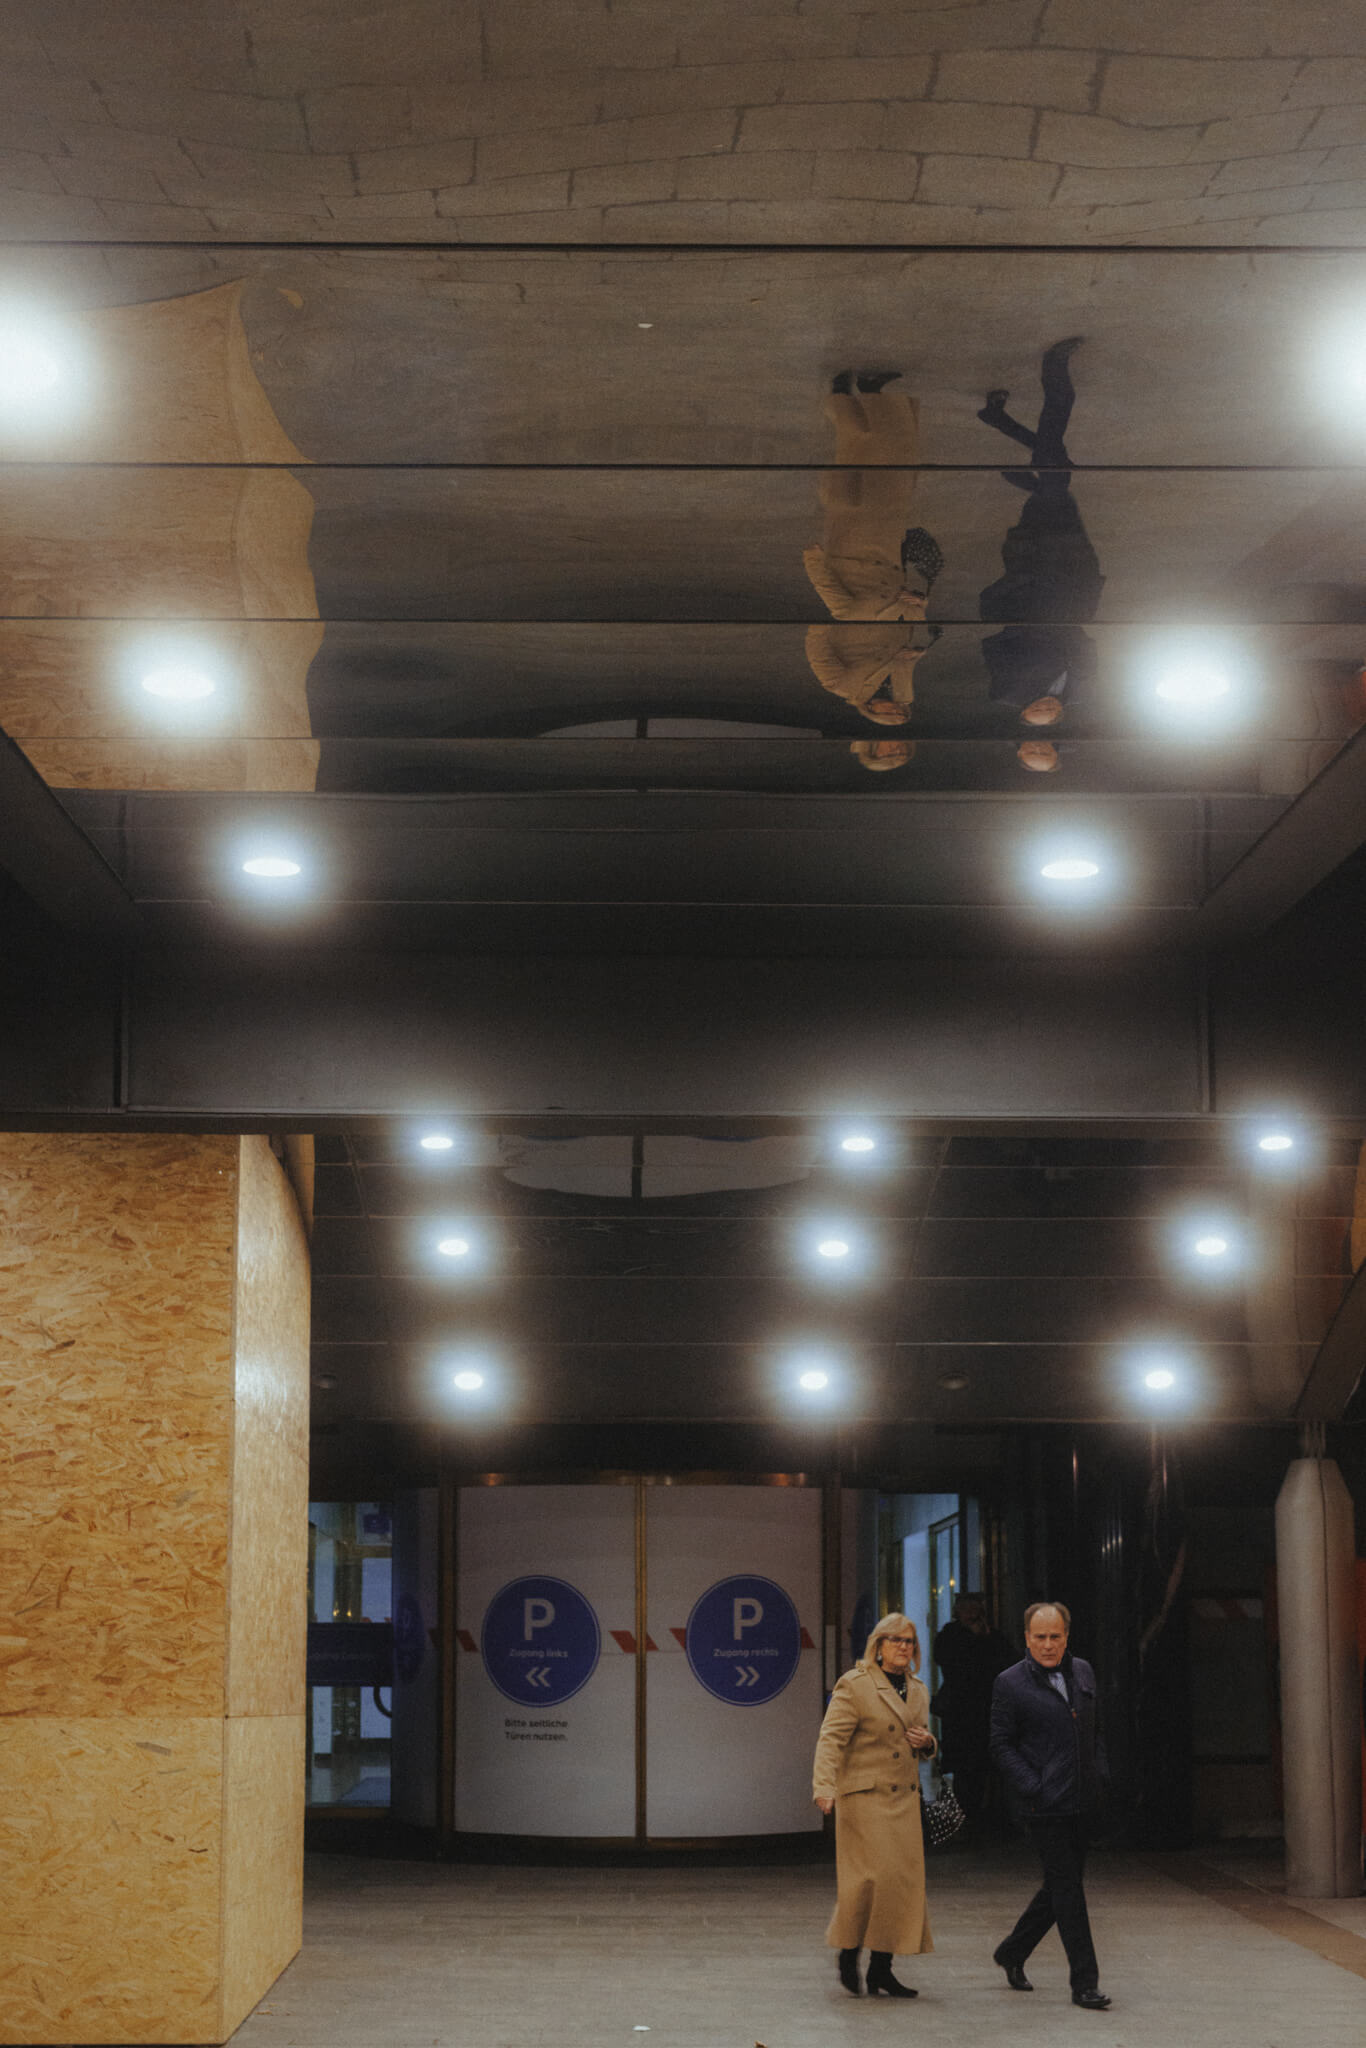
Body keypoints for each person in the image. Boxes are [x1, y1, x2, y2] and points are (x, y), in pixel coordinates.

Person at [975, 339, 1103, 766]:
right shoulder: (1080, 694)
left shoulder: (1007, 692)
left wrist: (1022, 585)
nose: (1038, 743)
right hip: (1078, 577)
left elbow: (996, 634)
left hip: (1036, 568)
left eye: (1031, 749)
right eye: (1045, 751)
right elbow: (1087, 646)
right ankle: (1001, 426)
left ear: (1020, 736)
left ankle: (1056, 373)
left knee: (1057, 478)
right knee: (1056, 481)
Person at [989, 1602, 1112, 2011]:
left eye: (1054, 1636)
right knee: (1069, 1891)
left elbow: (1095, 1729)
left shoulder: (1084, 1672)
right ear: (1027, 1638)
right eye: (1039, 1637)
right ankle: (1085, 1983)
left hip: (1082, 1800)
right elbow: (1001, 1744)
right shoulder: (1010, 1683)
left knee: (1061, 1887)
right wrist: (1032, 1786)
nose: (1047, 1645)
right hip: (1043, 1806)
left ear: (1066, 1637)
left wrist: (1100, 1773)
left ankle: (1012, 1951)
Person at [804, 370, 943, 724]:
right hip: (889, 567)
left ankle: (853, 399)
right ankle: (863, 397)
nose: (894, 707)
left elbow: (817, 634)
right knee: (893, 478)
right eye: (900, 712)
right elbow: (905, 635)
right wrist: (917, 606)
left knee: (859, 479)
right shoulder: (904, 688)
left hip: (853, 564)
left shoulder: (842, 686)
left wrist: (818, 567)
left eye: (888, 714)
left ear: (872, 714)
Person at [811, 1611, 937, 1999]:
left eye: (909, 1641)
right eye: (895, 1640)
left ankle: (882, 1968)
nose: (903, 1647)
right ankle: (849, 1953)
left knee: (898, 1886)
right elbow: (830, 1739)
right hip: (865, 1799)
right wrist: (824, 1786)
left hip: (903, 1801)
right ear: (878, 1645)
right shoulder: (855, 1685)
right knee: (867, 1883)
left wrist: (928, 1743)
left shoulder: (918, 1689)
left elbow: (922, 1737)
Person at [931, 1592, 1010, 1824]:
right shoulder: (950, 1636)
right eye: (966, 1609)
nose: (971, 1614)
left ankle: (979, 1815)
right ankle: (967, 1816)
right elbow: (951, 1663)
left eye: (974, 1609)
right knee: (965, 1768)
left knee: (982, 1767)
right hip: (961, 1712)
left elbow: (1005, 1661)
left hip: (984, 1709)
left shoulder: (991, 1635)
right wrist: (977, 1640)